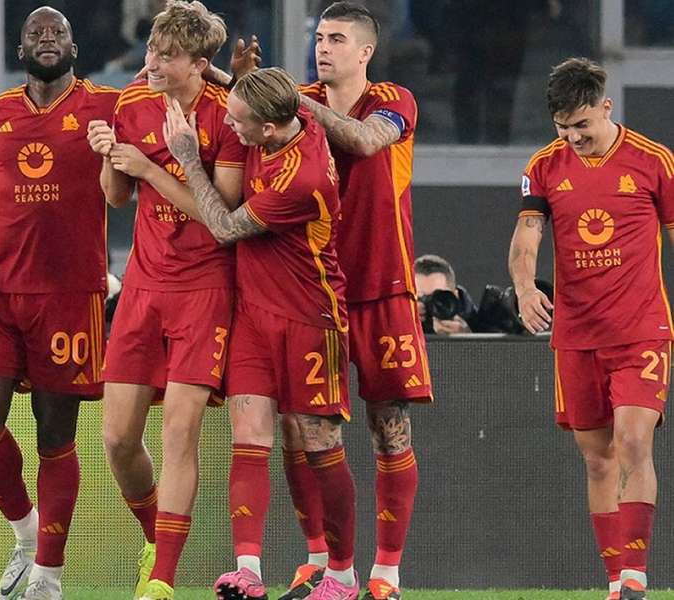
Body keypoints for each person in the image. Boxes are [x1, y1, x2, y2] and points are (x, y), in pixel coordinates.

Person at [252, 4, 430, 600]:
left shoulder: (393, 100)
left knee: (389, 430)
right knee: (301, 431)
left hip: (381, 287)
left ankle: (386, 572)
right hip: (310, 291)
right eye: (318, 37)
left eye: (336, 39)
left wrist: (287, 100)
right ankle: (322, 562)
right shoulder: (296, 98)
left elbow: (362, 139)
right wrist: (237, 80)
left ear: (364, 52)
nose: (322, 48)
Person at [163, 66, 358, 600]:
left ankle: (342, 574)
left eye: (238, 121)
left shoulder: (303, 177)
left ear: (269, 130)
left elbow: (225, 228)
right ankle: (247, 571)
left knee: (319, 443)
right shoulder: (290, 117)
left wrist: (185, 157)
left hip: (310, 318)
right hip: (253, 313)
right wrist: (221, 72)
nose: (230, 127)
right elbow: (263, 94)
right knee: (248, 436)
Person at [0, 7, 118, 600]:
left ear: (75, 45)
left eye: (59, 32)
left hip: (72, 295)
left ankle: (48, 573)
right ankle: (24, 535)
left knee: (55, 436)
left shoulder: (108, 107)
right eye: (37, 34)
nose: (48, 39)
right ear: (21, 49)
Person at [85, 2, 245, 599]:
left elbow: (222, 217)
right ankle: (156, 533)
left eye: (167, 56)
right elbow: (117, 197)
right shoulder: (132, 101)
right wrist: (110, 157)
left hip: (205, 287)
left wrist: (157, 169)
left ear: (200, 64)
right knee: (118, 438)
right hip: (143, 285)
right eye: (151, 50)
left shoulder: (227, 116)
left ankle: (162, 578)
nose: (151, 63)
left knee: (180, 434)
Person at [509, 57, 674, 600]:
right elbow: (527, 238)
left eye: (583, 124)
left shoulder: (655, 162)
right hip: (576, 336)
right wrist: (527, 287)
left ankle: (635, 576)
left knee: (632, 442)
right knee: (597, 456)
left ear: (606, 107)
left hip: (641, 329)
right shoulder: (544, 165)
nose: (574, 137)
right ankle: (614, 579)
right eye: (563, 128)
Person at [413, 254, 476, 335]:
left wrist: (466, 339)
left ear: (455, 296)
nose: (429, 304)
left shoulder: (480, 324)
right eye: (418, 298)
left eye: (438, 297)